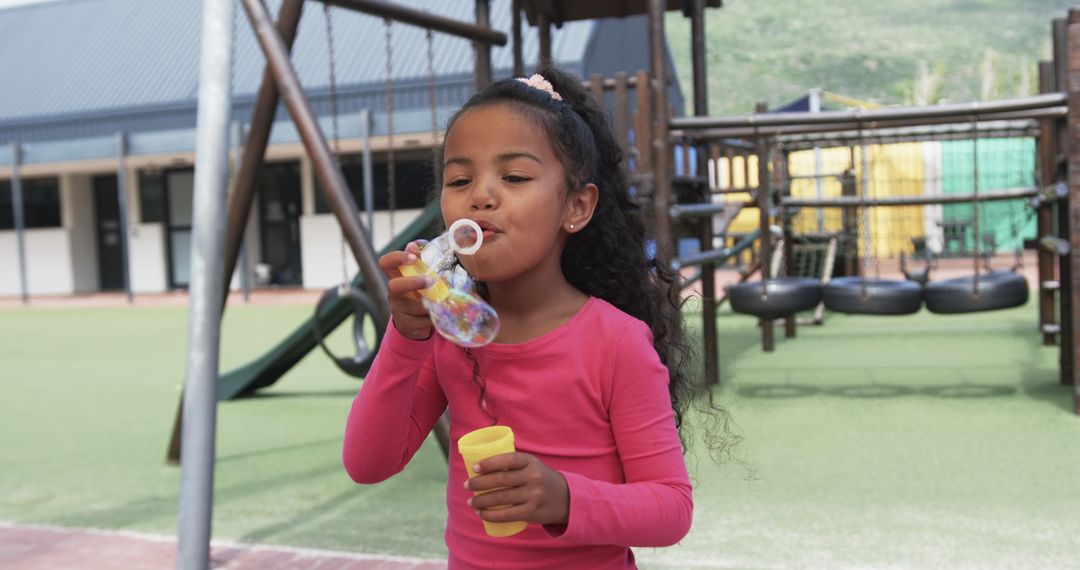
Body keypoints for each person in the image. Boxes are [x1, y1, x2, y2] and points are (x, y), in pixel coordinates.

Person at [343, 67, 699, 569]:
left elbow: (671, 509)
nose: (481, 195)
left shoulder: (615, 341)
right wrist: (406, 335)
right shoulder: (449, 332)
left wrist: (563, 498)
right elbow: (368, 463)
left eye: (514, 177)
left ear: (576, 206)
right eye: (460, 179)